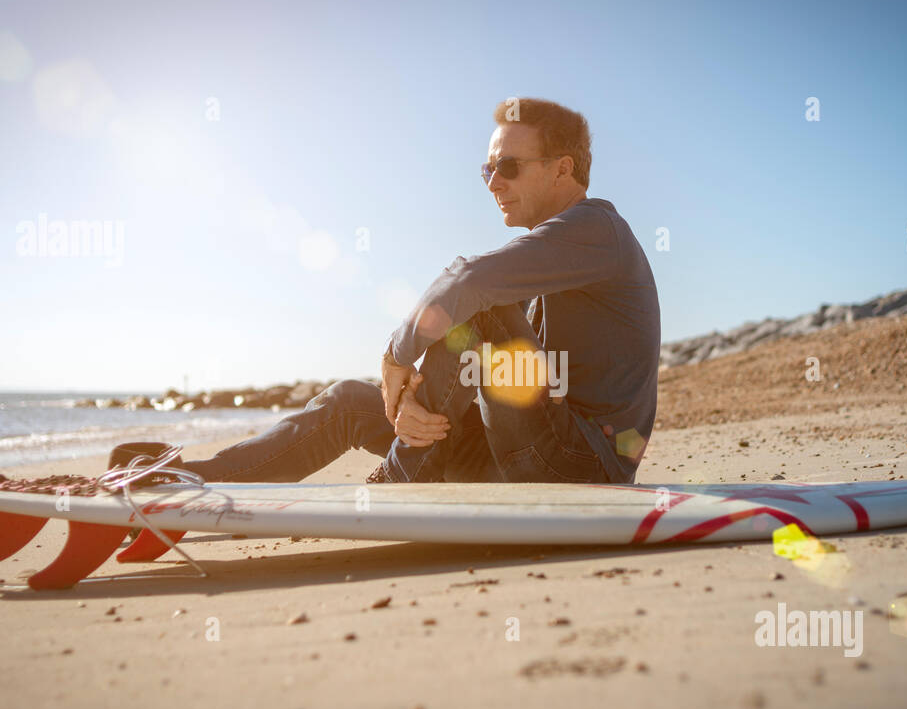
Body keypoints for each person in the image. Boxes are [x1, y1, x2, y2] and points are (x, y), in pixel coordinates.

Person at [111, 98, 661, 487]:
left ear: (563, 169)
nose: (493, 182)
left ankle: (399, 477)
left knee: (481, 306)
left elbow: (469, 283)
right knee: (349, 402)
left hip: (581, 465)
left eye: (509, 167)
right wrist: (417, 410)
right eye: (488, 169)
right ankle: (191, 479)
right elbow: (506, 366)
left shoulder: (597, 231)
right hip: (519, 449)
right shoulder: (553, 258)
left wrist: (396, 357)